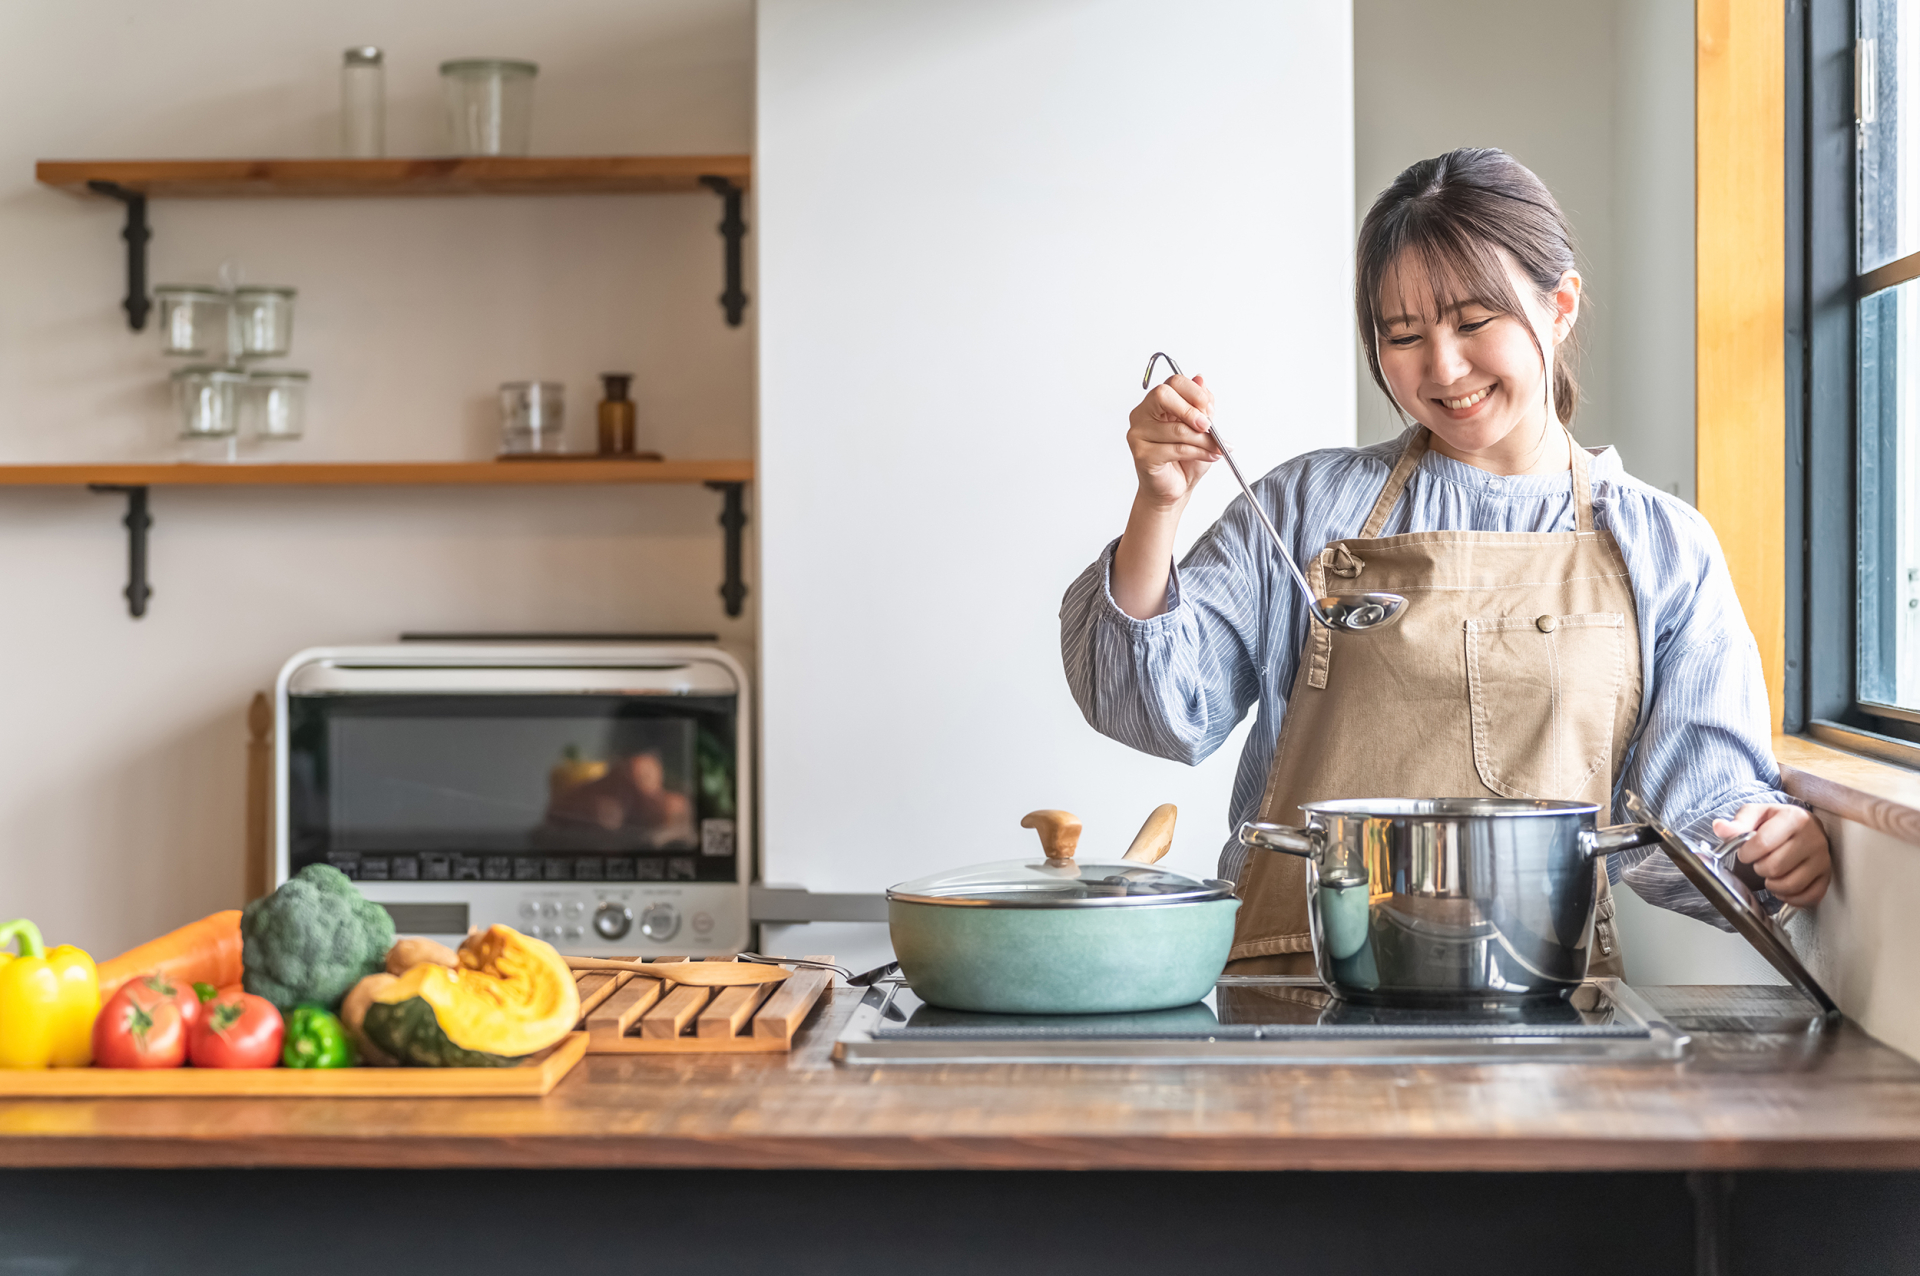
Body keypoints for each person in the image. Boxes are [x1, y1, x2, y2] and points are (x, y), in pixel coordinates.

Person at [1060, 147, 1829, 975]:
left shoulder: (1662, 548)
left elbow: (1701, 812)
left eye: (1472, 322)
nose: (1444, 368)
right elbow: (1154, 706)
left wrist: (1767, 847)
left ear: (1560, 304)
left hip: (1541, 1016)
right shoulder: (1303, 509)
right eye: (1403, 335)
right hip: (1295, 1002)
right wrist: (1160, 503)